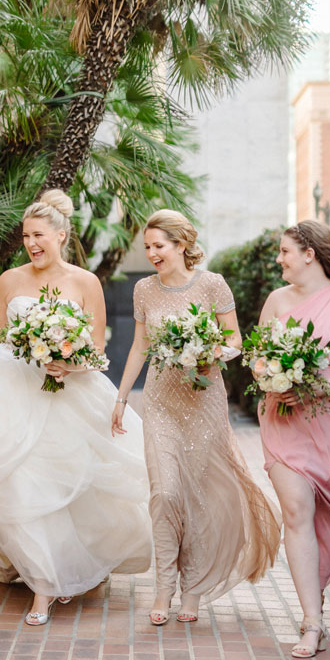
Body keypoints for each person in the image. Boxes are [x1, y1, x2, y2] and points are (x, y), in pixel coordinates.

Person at [0, 190, 152, 627]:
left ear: (60, 235)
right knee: (25, 487)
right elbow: (0, 335)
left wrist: (69, 363)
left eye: (38, 235)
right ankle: (40, 580)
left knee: (70, 489)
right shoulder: (9, 280)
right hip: (18, 394)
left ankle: (70, 570)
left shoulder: (84, 282)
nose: (30, 243)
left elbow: (97, 347)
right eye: (25, 236)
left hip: (71, 395)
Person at [112, 209, 281, 626]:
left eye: (159, 245)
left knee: (198, 497)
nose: (152, 253)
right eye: (148, 247)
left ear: (182, 244)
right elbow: (139, 347)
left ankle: (193, 589)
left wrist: (209, 356)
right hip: (160, 401)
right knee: (165, 493)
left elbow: (235, 341)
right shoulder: (143, 290)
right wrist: (120, 398)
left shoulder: (212, 284)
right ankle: (163, 586)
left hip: (203, 402)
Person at [257, 221, 330, 658]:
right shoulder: (276, 301)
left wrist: (318, 388)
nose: (279, 259)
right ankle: (312, 621)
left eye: (285, 251)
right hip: (283, 420)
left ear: (309, 254)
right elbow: (258, 359)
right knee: (297, 511)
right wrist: (270, 379)